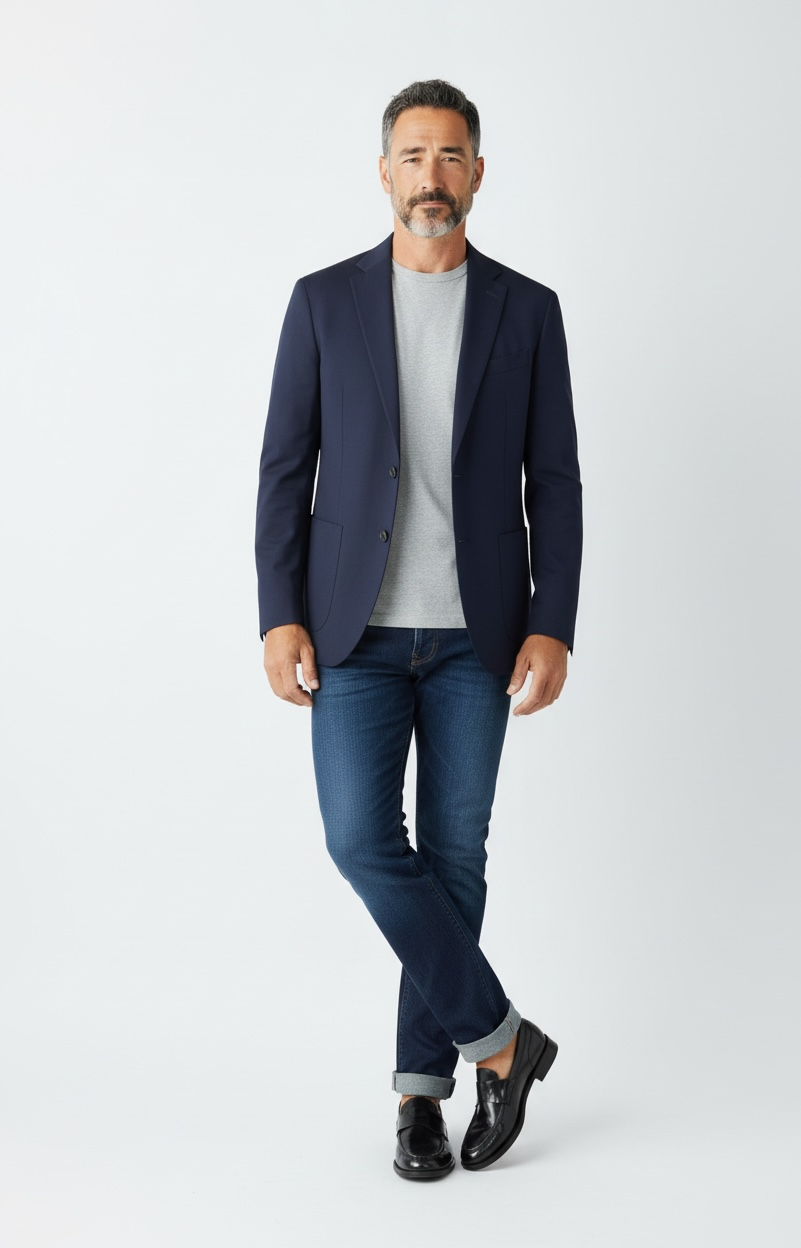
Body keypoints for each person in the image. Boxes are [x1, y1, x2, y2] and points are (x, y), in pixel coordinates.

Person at [255, 79, 582, 1179]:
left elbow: (556, 481)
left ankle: (419, 1097)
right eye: (412, 155)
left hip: (479, 637)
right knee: (360, 840)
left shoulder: (526, 309)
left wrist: (552, 623)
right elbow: (284, 470)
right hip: (353, 633)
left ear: (477, 172)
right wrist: (279, 612)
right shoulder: (323, 302)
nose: (430, 176)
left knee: (452, 859)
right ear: (383, 171)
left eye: (449, 156)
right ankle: (504, 1043)